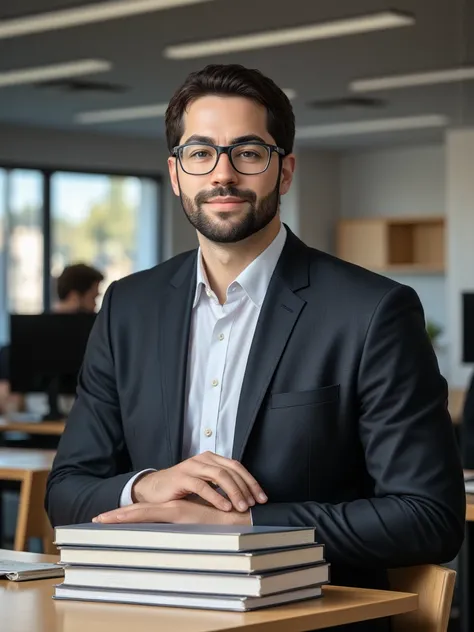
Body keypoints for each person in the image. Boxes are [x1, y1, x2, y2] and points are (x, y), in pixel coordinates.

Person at [46, 65, 464, 631]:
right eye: (200, 153)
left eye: (248, 152)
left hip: (308, 616)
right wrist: (148, 484)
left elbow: (427, 518)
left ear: (284, 170)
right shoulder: (128, 306)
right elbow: (68, 490)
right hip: (146, 608)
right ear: (175, 173)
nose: (223, 174)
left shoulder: (372, 311)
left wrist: (247, 524)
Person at [0, 263, 103, 414]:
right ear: (74, 297)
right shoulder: (18, 348)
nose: (95, 306)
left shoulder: (98, 345)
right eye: (93, 298)